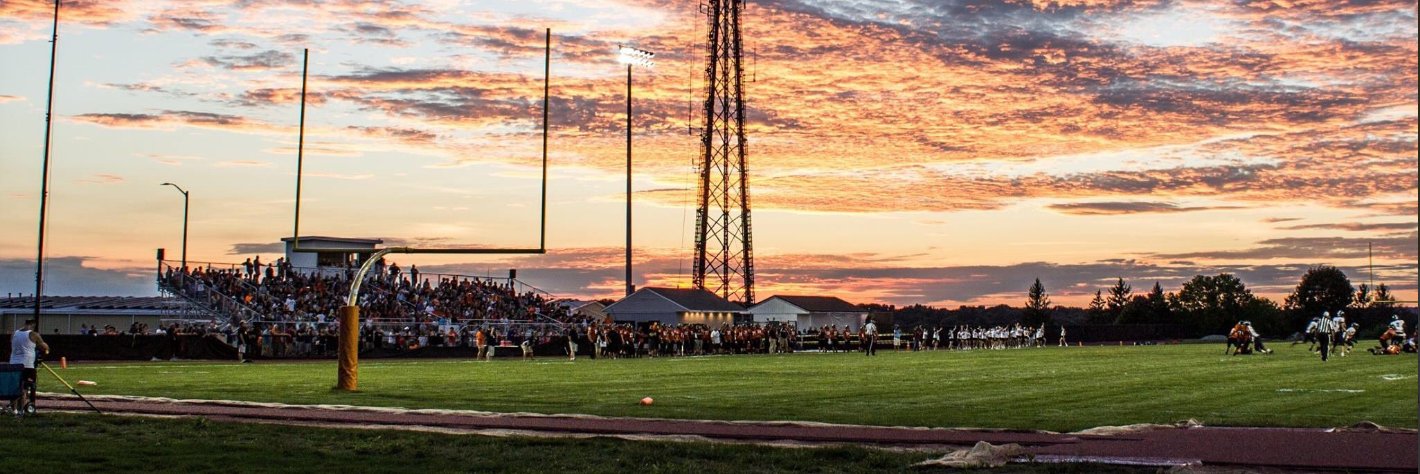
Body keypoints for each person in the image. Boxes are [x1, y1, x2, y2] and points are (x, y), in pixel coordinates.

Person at [9, 319, 50, 415]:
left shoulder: (14, 333)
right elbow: (44, 347)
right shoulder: (33, 334)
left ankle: (13, 409)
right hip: (27, 365)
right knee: (24, 389)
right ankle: (21, 410)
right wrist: (46, 349)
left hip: (13, 364)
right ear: (33, 325)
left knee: (14, 387)